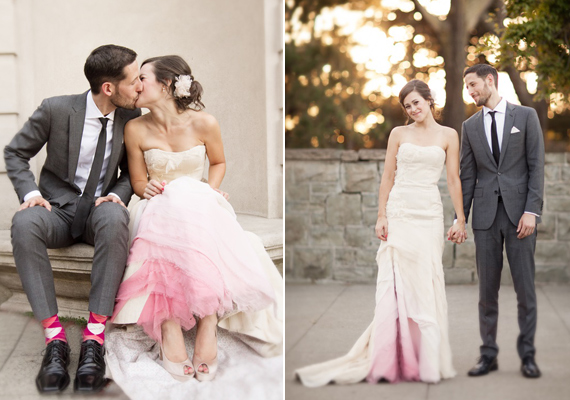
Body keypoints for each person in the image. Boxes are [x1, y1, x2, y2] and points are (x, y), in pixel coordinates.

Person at [107, 55, 283, 386]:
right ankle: (169, 324)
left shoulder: (205, 123)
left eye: (142, 78)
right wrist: (149, 187)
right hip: (156, 206)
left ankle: (208, 322)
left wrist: (210, 191)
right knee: (170, 210)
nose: (136, 85)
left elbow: (217, 163)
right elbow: (139, 181)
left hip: (199, 203)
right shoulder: (135, 128)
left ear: (166, 84)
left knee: (191, 204)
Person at [295, 79, 464, 386]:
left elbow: (453, 180)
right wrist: (381, 215)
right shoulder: (398, 134)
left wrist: (460, 219)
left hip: (429, 212)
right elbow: (387, 176)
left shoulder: (449, 135)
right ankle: (393, 357)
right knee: (396, 283)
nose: (413, 109)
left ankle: (426, 358)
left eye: (417, 102)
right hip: (400, 211)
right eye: (408, 106)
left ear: (429, 99)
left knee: (426, 277)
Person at [3, 44, 142, 393]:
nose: (140, 85)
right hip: (58, 211)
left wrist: (120, 193)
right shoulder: (56, 109)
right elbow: (15, 152)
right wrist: (31, 195)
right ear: (109, 87)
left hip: (99, 211)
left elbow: (133, 171)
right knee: (23, 222)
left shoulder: (133, 118)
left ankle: (94, 338)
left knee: (114, 216)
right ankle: (55, 339)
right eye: (134, 79)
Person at [449, 63, 544, 378]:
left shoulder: (526, 117)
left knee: (525, 290)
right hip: (485, 219)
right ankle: (488, 355)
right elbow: (467, 176)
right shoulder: (470, 126)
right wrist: (460, 218)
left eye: (473, 85)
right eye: (467, 87)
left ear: (490, 80)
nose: (470, 91)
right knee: (486, 292)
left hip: (521, 219)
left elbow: (536, 167)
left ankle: (528, 356)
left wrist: (532, 210)